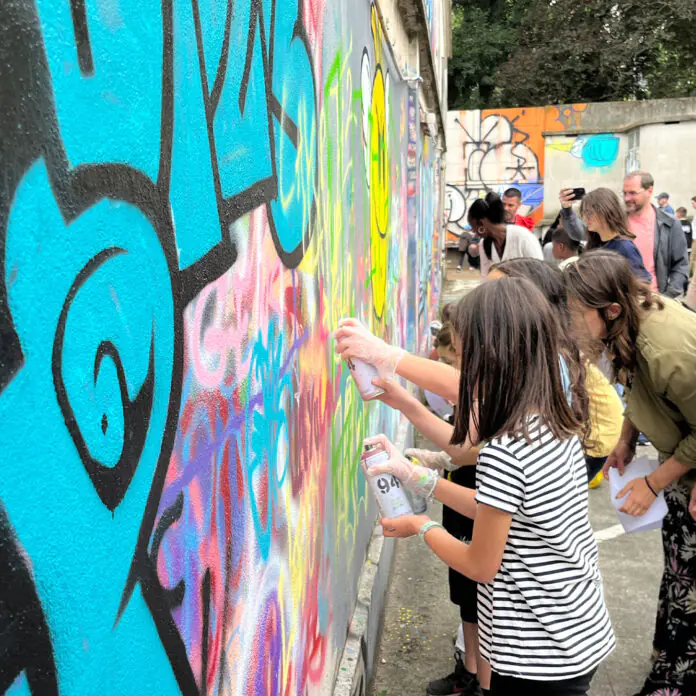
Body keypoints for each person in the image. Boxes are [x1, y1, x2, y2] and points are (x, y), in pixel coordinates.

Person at [362, 278, 615, 696]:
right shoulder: (553, 419)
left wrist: (421, 526)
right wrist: (415, 476)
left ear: (491, 359)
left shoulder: (505, 449)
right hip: (577, 629)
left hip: (536, 654)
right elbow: (498, 507)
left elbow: (480, 565)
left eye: (465, 358)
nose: (460, 372)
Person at [564, 251, 696, 696]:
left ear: (611, 309)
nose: (572, 325)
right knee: (680, 569)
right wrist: (626, 438)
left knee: (691, 578)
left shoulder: (666, 349)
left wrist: (653, 483)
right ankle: (668, 664)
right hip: (682, 458)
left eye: (576, 314)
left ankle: (675, 679)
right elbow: (640, 389)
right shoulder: (631, 325)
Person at [488, 258, 622, 489]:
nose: (483, 301)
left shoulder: (554, 352)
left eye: (496, 294)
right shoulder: (528, 340)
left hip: (596, 438)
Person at [560, 187, 651, 283]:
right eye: (583, 213)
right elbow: (575, 230)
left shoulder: (625, 247)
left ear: (606, 211)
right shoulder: (594, 243)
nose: (585, 218)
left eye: (589, 213)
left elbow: (643, 283)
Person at [623, 171, 689, 297]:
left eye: (632, 193)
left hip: (656, 300)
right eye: (625, 193)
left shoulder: (669, 223)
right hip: (623, 301)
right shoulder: (617, 221)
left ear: (649, 191)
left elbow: (681, 265)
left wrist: (667, 296)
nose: (627, 198)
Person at [468, 192, 543, 279]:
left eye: (473, 226)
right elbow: (485, 279)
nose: (473, 231)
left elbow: (540, 272)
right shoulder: (484, 244)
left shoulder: (524, 236)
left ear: (481, 223)